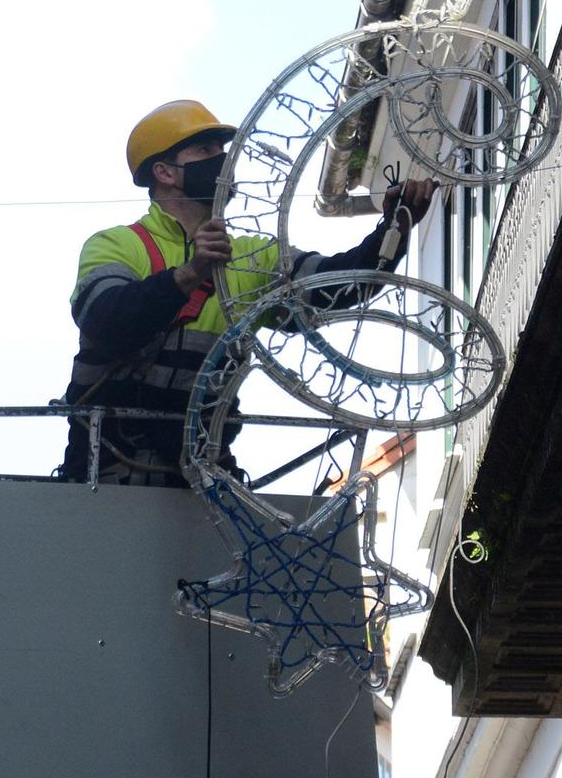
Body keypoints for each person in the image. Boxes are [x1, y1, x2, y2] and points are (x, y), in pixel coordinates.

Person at [60, 99, 435, 487]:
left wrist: (394, 229)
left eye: (221, 151)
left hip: (201, 480)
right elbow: (105, 322)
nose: (222, 160)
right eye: (205, 150)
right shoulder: (118, 244)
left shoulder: (252, 257)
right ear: (164, 172)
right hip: (106, 472)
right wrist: (189, 275)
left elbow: (335, 286)